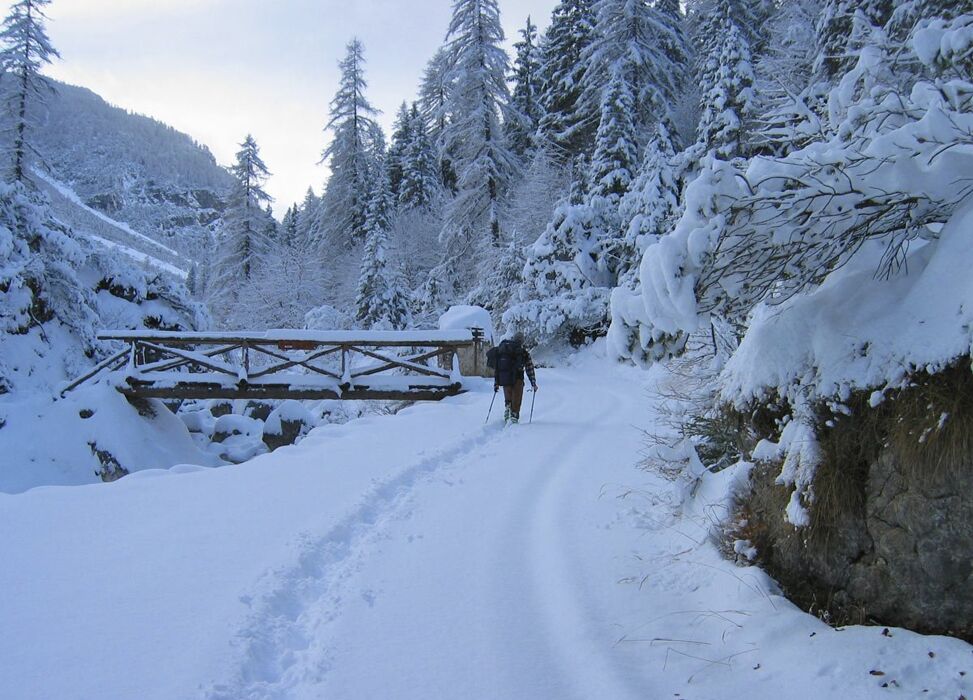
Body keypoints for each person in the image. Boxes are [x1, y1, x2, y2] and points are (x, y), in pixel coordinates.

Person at [492, 331, 537, 424]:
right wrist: (533, 382)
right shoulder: (522, 352)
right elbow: (529, 368)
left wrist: (496, 383)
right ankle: (514, 415)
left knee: (508, 393)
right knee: (517, 396)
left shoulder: (504, 350)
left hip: (505, 377)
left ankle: (507, 407)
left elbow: (497, 367)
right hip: (518, 378)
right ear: (521, 341)